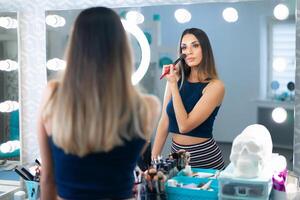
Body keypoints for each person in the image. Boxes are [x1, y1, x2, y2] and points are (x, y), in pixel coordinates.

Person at [37, 7, 160, 200]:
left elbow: (47, 178)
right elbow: (126, 162)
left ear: (75, 47)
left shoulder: (53, 95)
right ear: (123, 47)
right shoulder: (148, 107)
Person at [152, 28, 225, 170]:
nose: (188, 51)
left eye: (195, 45)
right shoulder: (176, 78)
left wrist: (173, 84)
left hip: (204, 159)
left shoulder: (216, 86)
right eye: (184, 47)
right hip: (175, 157)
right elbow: (164, 121)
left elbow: (184, 126)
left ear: (205, 49)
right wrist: (154, 160)